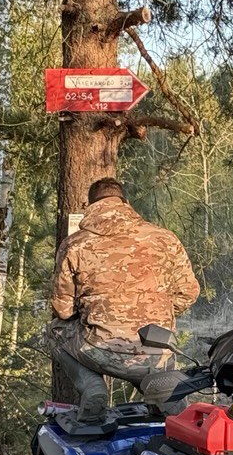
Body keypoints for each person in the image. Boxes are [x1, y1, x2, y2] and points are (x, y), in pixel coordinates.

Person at [47, 178, 200, 421]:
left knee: (54, 331)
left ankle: (92, 386)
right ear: (126, 202)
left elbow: (62, 309)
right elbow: (189, 292)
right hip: (156, 351)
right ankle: (167, 401)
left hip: (101, 351)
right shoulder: (166, 239)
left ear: (90, 205)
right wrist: (154, 315)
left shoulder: (74, 245)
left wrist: (92, 312)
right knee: (162, 382)